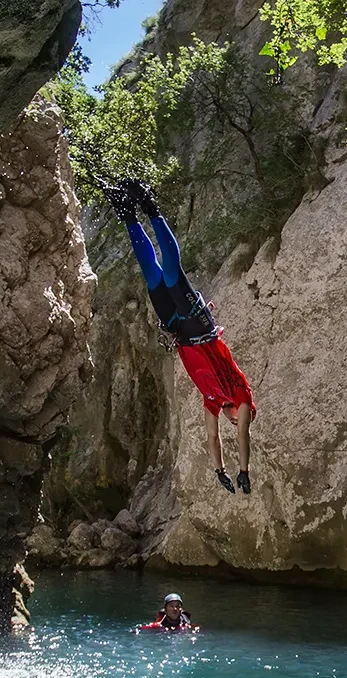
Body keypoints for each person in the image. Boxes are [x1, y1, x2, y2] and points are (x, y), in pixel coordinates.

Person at [103, 178, 255, 496]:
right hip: (199, 327)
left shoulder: (213, 400)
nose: (234, 421)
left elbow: (212, 437)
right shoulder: (240, 393)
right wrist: (244, 470)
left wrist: (220, 471)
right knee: (172, 273)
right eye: (239, 419)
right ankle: (151, 207)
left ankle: (128, 215)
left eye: (233, 420)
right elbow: (243, 433)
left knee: (153, 275)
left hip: (178, 330)